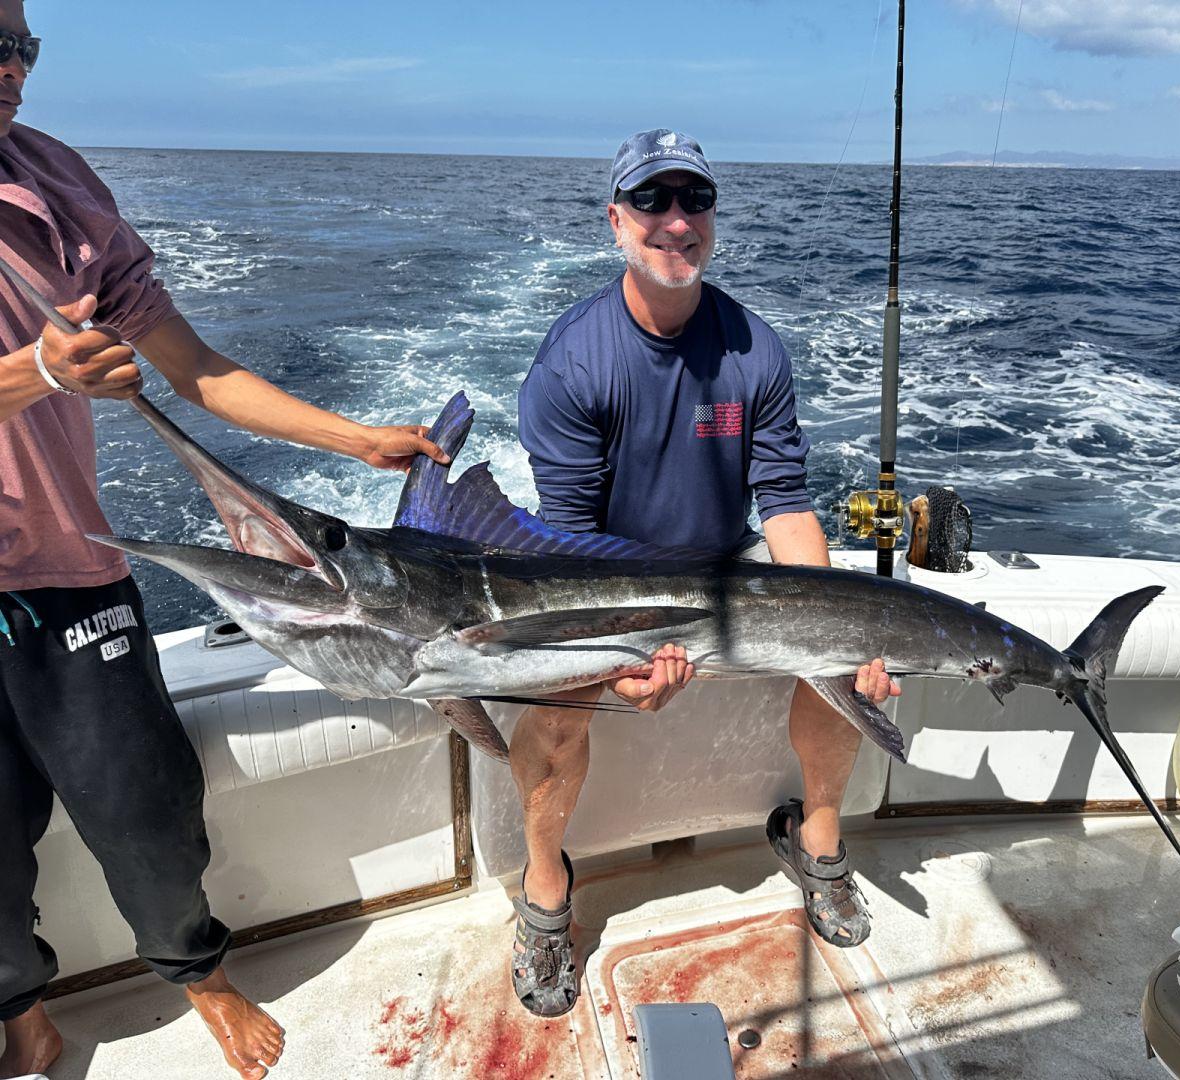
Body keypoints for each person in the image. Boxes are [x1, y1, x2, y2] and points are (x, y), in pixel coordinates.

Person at [0, 6, 448, 1078]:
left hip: (69, 571)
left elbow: (194, 369)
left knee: (147, 812)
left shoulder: (60, 183)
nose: (11, 66)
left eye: (24, 43)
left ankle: (199, 973)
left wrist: (357, 438)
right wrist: (41, 374)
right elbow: (51, 374)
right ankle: (17, 1008)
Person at [508, 128, 901, 1017]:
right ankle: (543, 893)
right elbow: (566, 544)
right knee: (555, 708)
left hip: (729, 570)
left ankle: (820, 839)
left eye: (694, 202)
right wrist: (616, 661)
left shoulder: (755, 349)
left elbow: (788, 507)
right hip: (611, 583)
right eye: (652, 201)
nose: (676, 221)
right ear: (616, 221)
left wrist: (845, 630)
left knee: (845, 667)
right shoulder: (573, 363)